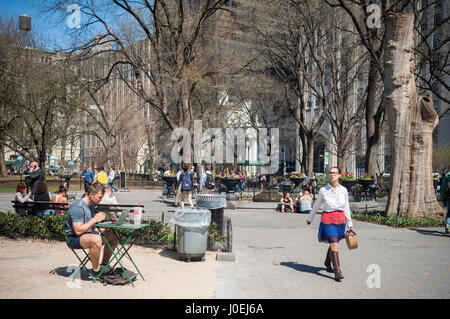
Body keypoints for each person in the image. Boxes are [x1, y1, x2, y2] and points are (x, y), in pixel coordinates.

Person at [306, 167, 354, 281]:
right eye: (330, 173)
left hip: (341, 220)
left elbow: (346, 207)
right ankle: (337, 271)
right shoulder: (323, 190)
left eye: (334, 173)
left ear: (339, 175)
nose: (332, 175)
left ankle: (328, 261)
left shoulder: (343, 190)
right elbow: (316, 205)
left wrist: (349, 223)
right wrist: (310, 218)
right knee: (334, 243)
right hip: (328, 220)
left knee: (334, 242)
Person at [64, 182, 118, 277]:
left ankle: (104, 266)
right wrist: (95, 220)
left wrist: (97, 229)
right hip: (73, 238)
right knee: (96, 240)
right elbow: (78, 230)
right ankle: (96, 270)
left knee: (113, 235)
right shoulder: (78, 207)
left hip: (86, 234)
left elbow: (88, 225)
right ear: (91, 195)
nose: (101, 200)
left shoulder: (91, 205)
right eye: (99, 197)